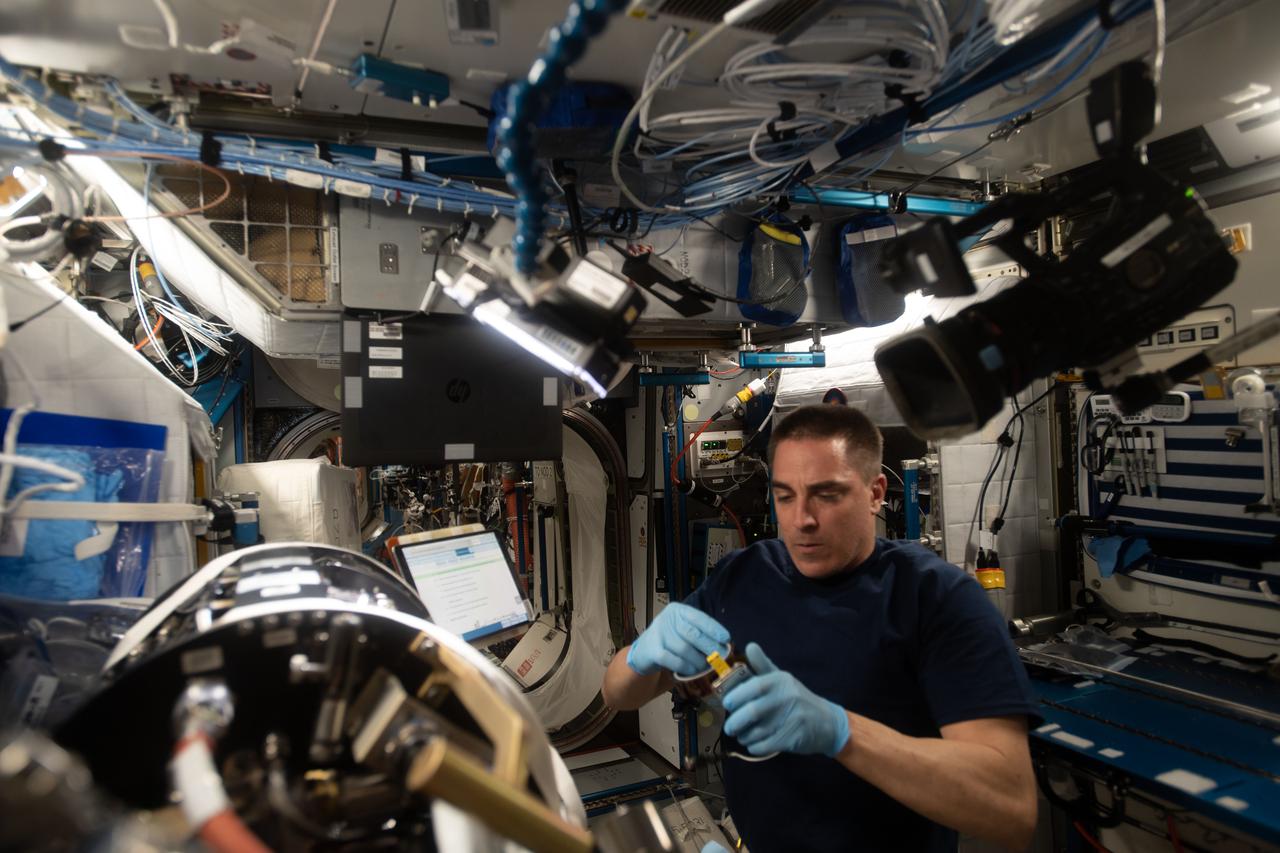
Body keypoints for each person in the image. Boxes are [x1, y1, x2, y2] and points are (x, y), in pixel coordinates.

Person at [602, 404, 1040, 852]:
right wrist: (642, 655)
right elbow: (618, 694)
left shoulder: (936, 598)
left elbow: (1012, 808)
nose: (801, 520)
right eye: (785, 496)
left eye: (826, 495)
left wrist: (841, 732)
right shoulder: (744, 576)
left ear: (875, 493)